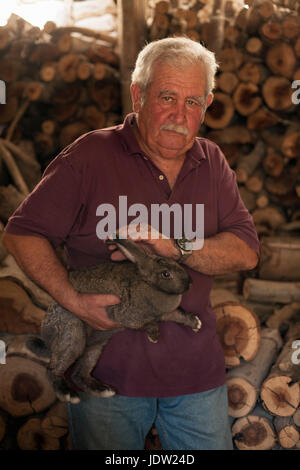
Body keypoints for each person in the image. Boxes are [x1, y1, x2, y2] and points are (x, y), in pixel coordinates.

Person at [3, 37, 259, 450]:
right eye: (167, 97)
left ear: (209, 103)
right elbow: (21, 233)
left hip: (196, 376)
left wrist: (177, 247)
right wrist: (71, 298)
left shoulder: (211, 162)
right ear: (137, 94)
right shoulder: (89, 156)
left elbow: (246, 250)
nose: (179, 115)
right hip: (107, 372)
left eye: (193, 102)